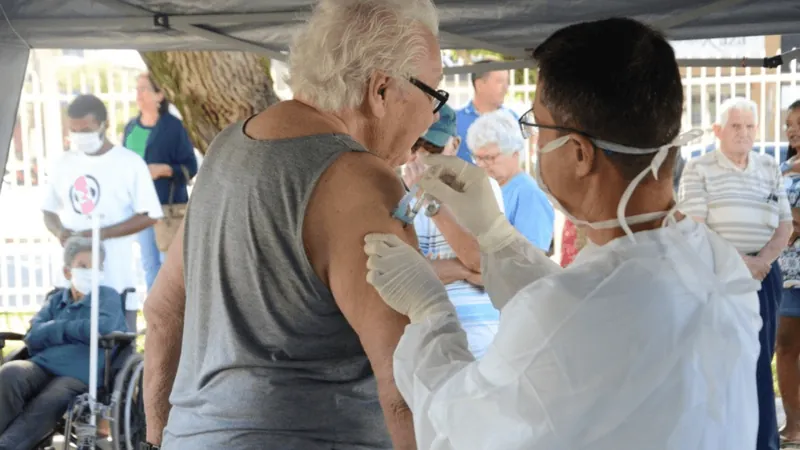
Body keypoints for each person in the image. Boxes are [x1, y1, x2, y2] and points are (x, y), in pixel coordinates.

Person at [363, 17, 762, 449]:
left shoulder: (571, 315)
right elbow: (588, 309)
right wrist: (497, 237)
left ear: (577, 153)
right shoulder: (719, 265)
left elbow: (456, 429)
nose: (533, 143)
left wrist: (430, 316)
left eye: (536, 126)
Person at [141, 0, 443, 448]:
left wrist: (155, 438)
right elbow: (405, 386)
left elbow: (163, 313)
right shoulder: (363, 180)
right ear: (381, 90)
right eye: (434, 94)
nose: (434, 117)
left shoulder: (226, 149)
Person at [679, 97, 793, 450]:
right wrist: (743, 264)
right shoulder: (699, 169)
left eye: (749, 126)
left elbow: (785, 225)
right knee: (721, 360)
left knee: (760, 360)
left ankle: (763, 443)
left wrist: (763, 262)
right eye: (735, 126)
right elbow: (695, 229)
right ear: (717, 131)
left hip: (764, 275)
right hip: (718, 276)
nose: (744, 134)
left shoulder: (769, 167)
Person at [42, 94, 164, 333]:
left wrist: (102, 233)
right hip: (71, 282)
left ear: (103, 125)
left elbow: (150, 214)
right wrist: (60, 231)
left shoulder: (129, 163)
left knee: (113, 356)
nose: (79, 135)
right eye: (74, 130)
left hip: (114, 281)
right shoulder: (63, 163)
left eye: (86, 129)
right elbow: (48, 210)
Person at [0, 237, 127, 449]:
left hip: (80, 371)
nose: (90, 271)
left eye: (96, 266)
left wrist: (57, 327)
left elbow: (101, 329)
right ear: (68, 272)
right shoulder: (56, 299)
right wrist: (74, 329)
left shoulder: (107, 297)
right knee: (11, 372)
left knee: (52, 397)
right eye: (83, 266)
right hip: (42, 365)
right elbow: (33, 336)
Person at [402, 104, 504, 358]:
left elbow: (480, 261)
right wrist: (463, 271)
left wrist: (431, 201)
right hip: (426, 341)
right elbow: (405, 276)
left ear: (455, 145)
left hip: (483, 342)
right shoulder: (396, 193)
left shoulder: (481, 186)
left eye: (434, 149)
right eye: (416, 147)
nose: (423, 159)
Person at [124, 73, 198, 292]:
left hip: (167, 207)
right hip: (140, 209)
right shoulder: (131, 128)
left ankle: (174, 318)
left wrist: (163, 170)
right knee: (149, 266)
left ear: (160, 95)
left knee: (170, 267)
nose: (139, 95)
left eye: (144, 89)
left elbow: (190, 167)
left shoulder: (173, 128)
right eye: (136, 89)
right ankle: (154, 321)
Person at [468, 109, 555, 251]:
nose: (481, 164)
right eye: (477, 157)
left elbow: (531, 259)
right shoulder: (488, 186)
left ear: (514, 153)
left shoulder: (529, 194)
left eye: (489, 158)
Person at [777, 99, 800, 447]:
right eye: (789, 124)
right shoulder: (783, 169)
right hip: (788, 272)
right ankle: (794, 426)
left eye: (798, 123)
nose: (792, 130)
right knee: (785, 345)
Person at [454, 60, 517, 163]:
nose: (506, 88)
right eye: (500, 81)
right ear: (479, 85)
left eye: (507, 82)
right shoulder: (455, 121)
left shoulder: (512, 119)